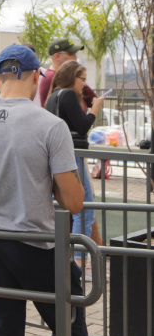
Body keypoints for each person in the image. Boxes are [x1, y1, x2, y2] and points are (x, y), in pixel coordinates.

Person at [0, 44, 88, 336]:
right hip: (34, 240)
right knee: (72, 328)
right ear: (35, 77)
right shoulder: (51, 126)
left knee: (8, 327)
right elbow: (73, 201)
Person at [44, 60, 104, 261]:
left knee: (65, 208)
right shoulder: (67, 95)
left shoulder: (53, 96)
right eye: (82, 80)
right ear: (72, 78)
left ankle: (70, 258)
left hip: (58, 156)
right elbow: (82, 125)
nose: (84, 85)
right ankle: (80, 259)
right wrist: (95, 108)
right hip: (72, 155)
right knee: (83, 207)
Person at [39, 38, 97, 109]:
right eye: (71, 54)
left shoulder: (61, 75)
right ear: (57, 56)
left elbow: (92, 99)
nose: (75, 57)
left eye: (75, 54)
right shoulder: (54, 77)